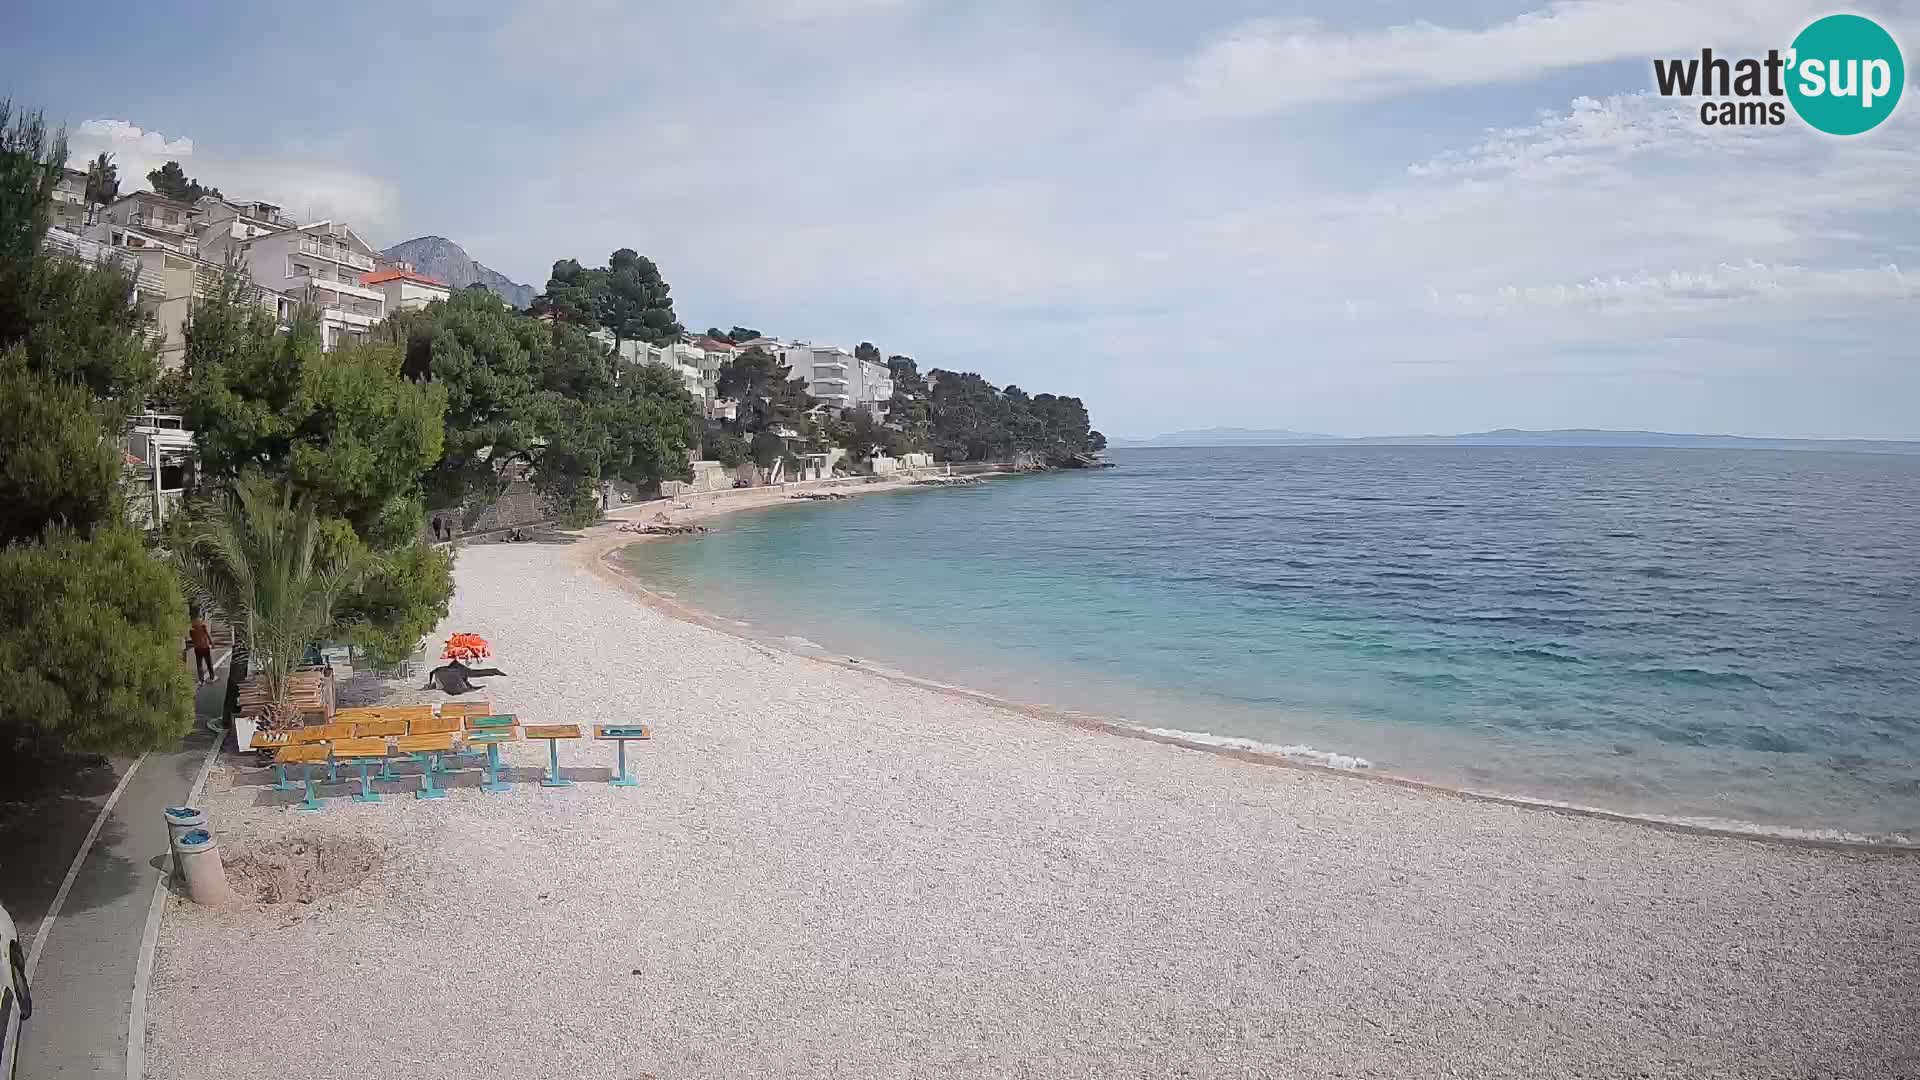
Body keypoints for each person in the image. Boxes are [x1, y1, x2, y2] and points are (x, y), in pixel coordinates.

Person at [187, 613, 215, 684]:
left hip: (198, 648)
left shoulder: (192, 628)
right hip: (205, 647)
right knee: (209, 663)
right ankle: (212, 677)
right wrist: (212, 643)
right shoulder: (203, 626)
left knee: (199, 665)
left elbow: (192, 639)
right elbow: (208, 635)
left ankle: (201, 680)